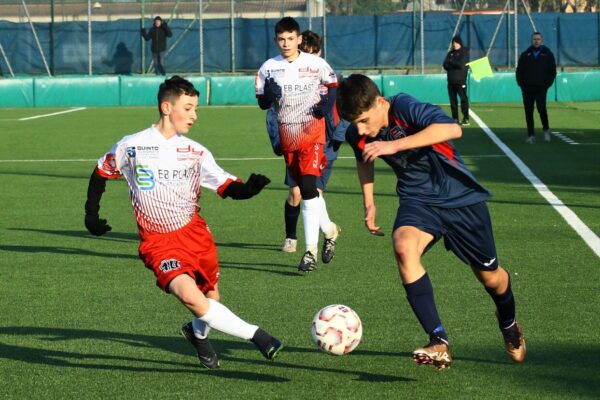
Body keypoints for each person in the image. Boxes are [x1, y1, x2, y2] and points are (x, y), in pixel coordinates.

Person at [84, 76, 283, 370]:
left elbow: (226, 185)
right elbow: (101, 171)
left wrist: (247, 190)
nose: (194, 115)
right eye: (188, 108)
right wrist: (91, 214)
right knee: (192, 297)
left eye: (196, 109)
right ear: (167, 107)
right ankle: (260, 337)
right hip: (158, 243)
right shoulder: (133, 146)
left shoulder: (195, 152)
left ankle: (197, 337)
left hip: (195, 236)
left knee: (211, 299)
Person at [336, 74, 526, 370]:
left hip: (460, 198)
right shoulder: (357, 132)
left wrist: (395, 146)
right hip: (417, 201)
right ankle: (439, 340)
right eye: (354, 122)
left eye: (363, 120)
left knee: (491, 277)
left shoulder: (404, 107)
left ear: (380, 103)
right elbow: (364, 159)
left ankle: (508, 321)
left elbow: (451, 129)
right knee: (403, 246)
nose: (360, 129)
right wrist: (369, 201)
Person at [256, 17, 341, 272]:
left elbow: (333, 83)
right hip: (288, 137)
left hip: (313, 135)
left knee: (306, 187)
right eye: (281, 39)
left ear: (299, 39)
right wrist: (269, 97)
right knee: (307, 192)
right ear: (276, 40)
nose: (286, 43)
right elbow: (261, 101)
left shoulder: (315, 64)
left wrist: (327, 105)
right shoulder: (268, 67)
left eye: (290, 38)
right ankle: (330, 230)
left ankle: (309, 252)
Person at [516, 32, 557, 144]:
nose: (536, 41)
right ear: (531, 40)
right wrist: (522, 85)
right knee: (528, 111)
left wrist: (547, 85)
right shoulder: (525, 55)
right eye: (534, 39)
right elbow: (519, 71)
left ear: (542, 40)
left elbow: (552, 72)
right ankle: (531, 135)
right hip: (527, 88)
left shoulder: (548, 54)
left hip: (541, 88)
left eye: (538, 39)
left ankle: (546, 130)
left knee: (541, 109)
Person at [442, 35, 470, 126]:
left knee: (463, 99)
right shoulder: (450, 53)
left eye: (455, 42)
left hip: (460, 81)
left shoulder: (464, 52)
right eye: (453, 43)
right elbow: (445, 64)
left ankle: (466, 118)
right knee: (453, 101)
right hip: (450, 81)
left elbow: (461, 64)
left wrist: (451, 63)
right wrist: (452, 64)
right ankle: (455, 119)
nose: (454, 44)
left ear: (459, 43)